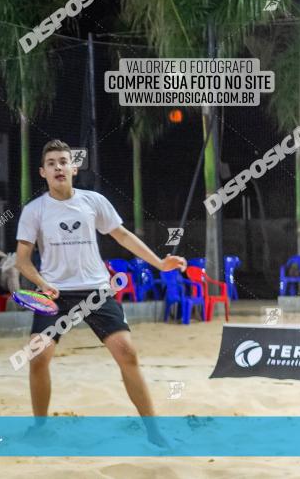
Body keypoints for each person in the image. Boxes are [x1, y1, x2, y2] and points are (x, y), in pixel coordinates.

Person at [15, 139, 185, 447]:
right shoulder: (34, 210)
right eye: (51, 163)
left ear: (73, 168)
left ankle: (154, 432)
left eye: (63, 161)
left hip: (96, 289)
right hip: (54, 293)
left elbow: (122, 235)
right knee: (38, 357)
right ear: (43, 172)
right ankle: (40, 427)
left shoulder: (93, 201)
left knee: (127, 354)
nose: (58, 167)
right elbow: (22, 260)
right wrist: (41, 284)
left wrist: (159, 262)